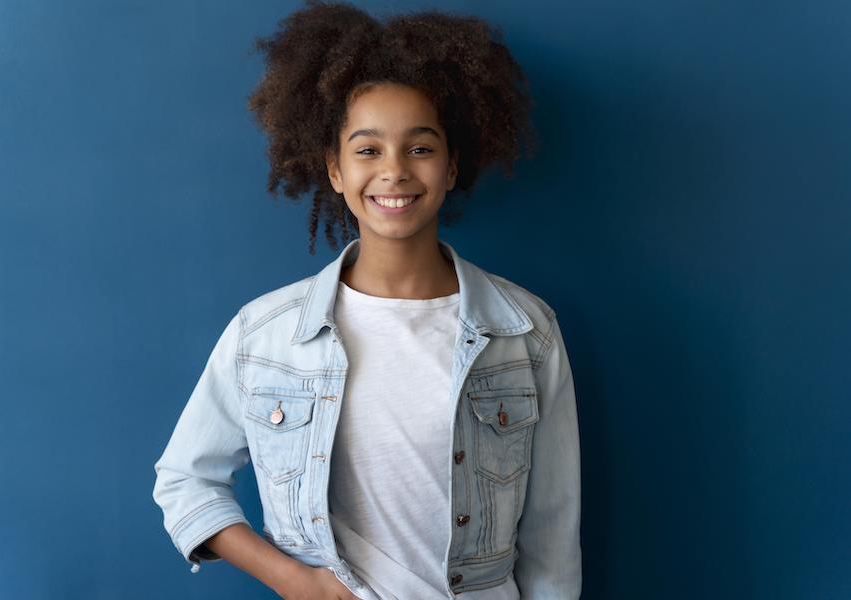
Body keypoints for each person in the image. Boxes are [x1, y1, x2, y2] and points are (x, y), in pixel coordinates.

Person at [152, 1, 582, 598]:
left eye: (421, 148)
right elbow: (184, 480)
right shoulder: (266, 334)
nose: (395, 171)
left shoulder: (525, 330)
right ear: (333, 168)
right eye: (367, 149)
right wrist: (298, 583)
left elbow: (553, 537)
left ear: (453, 166)